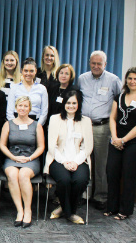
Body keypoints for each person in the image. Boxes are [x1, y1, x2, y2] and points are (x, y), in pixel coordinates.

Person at [105, 67, 136, 220]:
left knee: (129, 175)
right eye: (130, 78)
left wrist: (124, 140)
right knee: (112, 173)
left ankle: (125, 210)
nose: (132, 81)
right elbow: (112, 118)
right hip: (116, 141)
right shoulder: (119, 97)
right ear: (126, 80)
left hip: (134, 143)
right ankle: (111, 207)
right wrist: (114, 138)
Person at [77, 50, 122, 210]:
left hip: (102, 127)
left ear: (105, 64)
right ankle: (84, 194)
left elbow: (120, 101)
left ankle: (100, 196)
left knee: (101, 163)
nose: (96, 66)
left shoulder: (113, 80)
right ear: (89, 63)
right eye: (93, 63)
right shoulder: (82, 78)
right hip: (83, 126)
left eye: (99, 64)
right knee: (83, 161)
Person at [45, 90, 93, 224]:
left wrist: (76, 162)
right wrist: (65, 162)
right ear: (64, 104)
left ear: (79, 104)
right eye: (68, 103)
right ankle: (71, 213)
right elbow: (51, 146)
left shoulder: (86, 121)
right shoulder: (54, 119)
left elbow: (88, 146)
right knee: (64, 180)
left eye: (74, 103)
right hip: (58, 159)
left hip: (80, 160)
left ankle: (63, 208)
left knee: (80, 180)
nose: (71, 106)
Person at [0, 96, 45, 228]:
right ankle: (19, 210)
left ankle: (28, 210)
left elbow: (41, 147)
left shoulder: (37, 125)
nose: (22, 108)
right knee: (13, 175)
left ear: (30, 108)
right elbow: (2, 145)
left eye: (25, 106)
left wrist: (29, 158)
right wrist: (13, 158)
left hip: (31, 158)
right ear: (16, 107)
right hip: (12, 157)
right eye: (20, 105)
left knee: (23, 175)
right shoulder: (8, 124)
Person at [6, 57, 49, 127]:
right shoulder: (14, 88)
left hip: (36, 123)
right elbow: (9, 112)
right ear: (22, 71)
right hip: (17, 122)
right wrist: (15, 126)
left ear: (35, 71)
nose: (28, 73)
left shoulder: (42, 89)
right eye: (26, 71)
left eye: (31, 71)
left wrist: (37, 127)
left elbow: (44, 113)